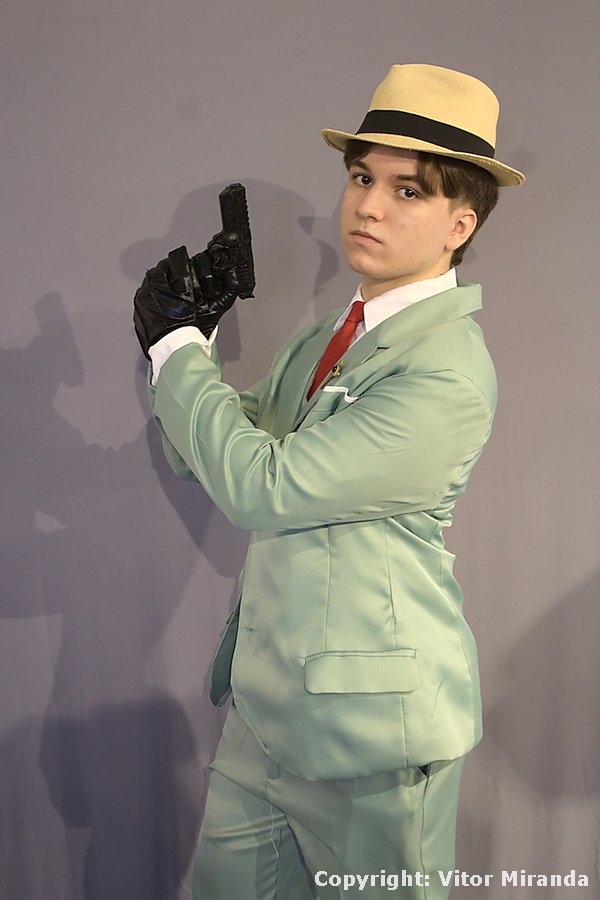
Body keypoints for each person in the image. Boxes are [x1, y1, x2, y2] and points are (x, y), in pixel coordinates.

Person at [133, 64, 524, 899]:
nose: (368, 206)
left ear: (460, 223)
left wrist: (175, 352)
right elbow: (207, 452)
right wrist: (196, 337)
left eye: (407, 191)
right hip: (267, 711)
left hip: (371, 738)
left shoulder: (447, 374)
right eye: (361, 177)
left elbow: (261, 488)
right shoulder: (328, 336)